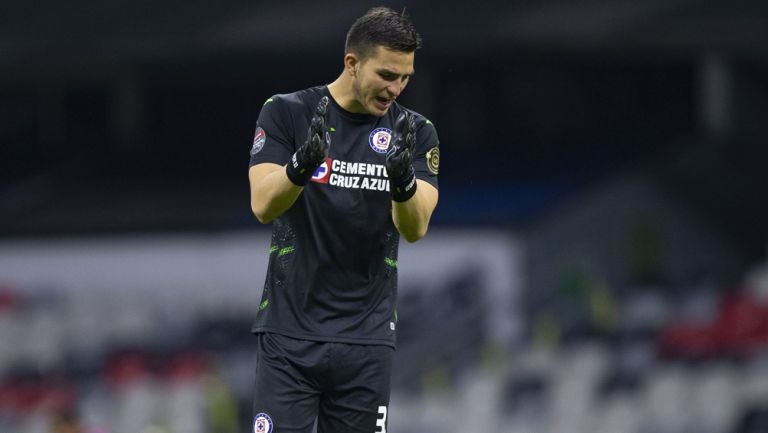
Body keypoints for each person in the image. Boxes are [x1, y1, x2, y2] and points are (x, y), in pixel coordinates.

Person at [247, 6, 439, 433]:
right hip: (289, 335)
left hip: (366, 339)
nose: (396, 88)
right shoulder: (287, 113)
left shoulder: (415, 132)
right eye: (387, 75)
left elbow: (416, 227)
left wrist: (403, 180)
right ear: (352, 63)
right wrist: (301, 166)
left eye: (405, 77)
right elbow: (263, 204)